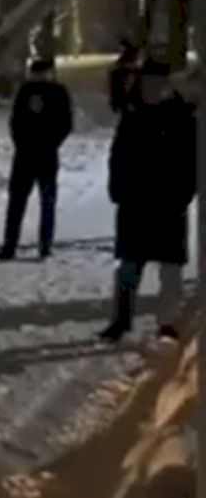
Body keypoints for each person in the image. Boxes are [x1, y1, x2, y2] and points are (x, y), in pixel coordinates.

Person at [99, 59, 196, 343]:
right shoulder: (133, 115)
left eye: (156, 83)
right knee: (128, 266)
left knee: (170, 269)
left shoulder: (181, 117)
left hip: (169, 204)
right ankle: (121, 319)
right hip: (135, 203)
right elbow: (117, 157)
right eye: (146, 83)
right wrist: (118, 191)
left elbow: (192, 160)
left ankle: (167, 322)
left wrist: (184, 194)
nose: (150, 88)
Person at [0, 58, 73, 261]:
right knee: (17, 202)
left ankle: (45, 245)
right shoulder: (25, 91)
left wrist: (53, 142)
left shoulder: (58, 92)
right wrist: (20, 142)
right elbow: (15, 120)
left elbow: (65, 122)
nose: (39, 77)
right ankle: (10, 244)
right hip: (25, 154)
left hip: (45, 154)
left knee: (46, 202)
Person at [109, 40, 140, 114]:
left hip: (129, 88)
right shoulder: (120, 64)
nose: (120, 51)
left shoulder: (131, 60)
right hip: (123, 94)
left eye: (121, 49)